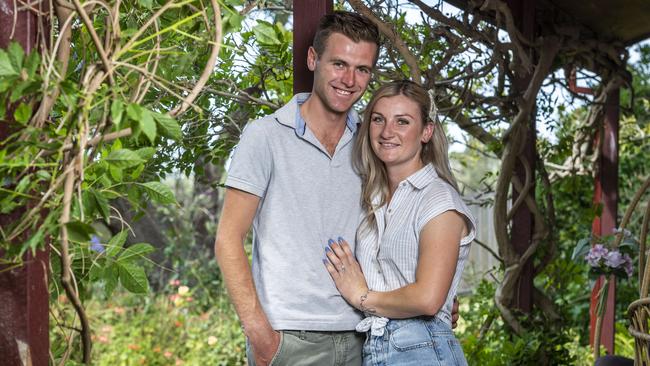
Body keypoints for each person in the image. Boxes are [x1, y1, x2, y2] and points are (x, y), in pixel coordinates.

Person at [215, 11, 459, 366]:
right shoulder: (265, 136)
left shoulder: (374, 141)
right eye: (339, 64)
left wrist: (436, 296)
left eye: (362, 69)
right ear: (313, 60)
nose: (349, 79)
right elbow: (227, 239)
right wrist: (262, 337)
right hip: (290, 338)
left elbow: (408, 221)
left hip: (369, 337)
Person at [323, 80, 476, 365]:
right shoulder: (374, 198)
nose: (387, 132)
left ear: (426, 132)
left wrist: (362, 297)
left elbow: (428, 298)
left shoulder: (438, 199)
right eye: (378, 119)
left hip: (422, 348)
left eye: (402, 121)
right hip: (379, 347)